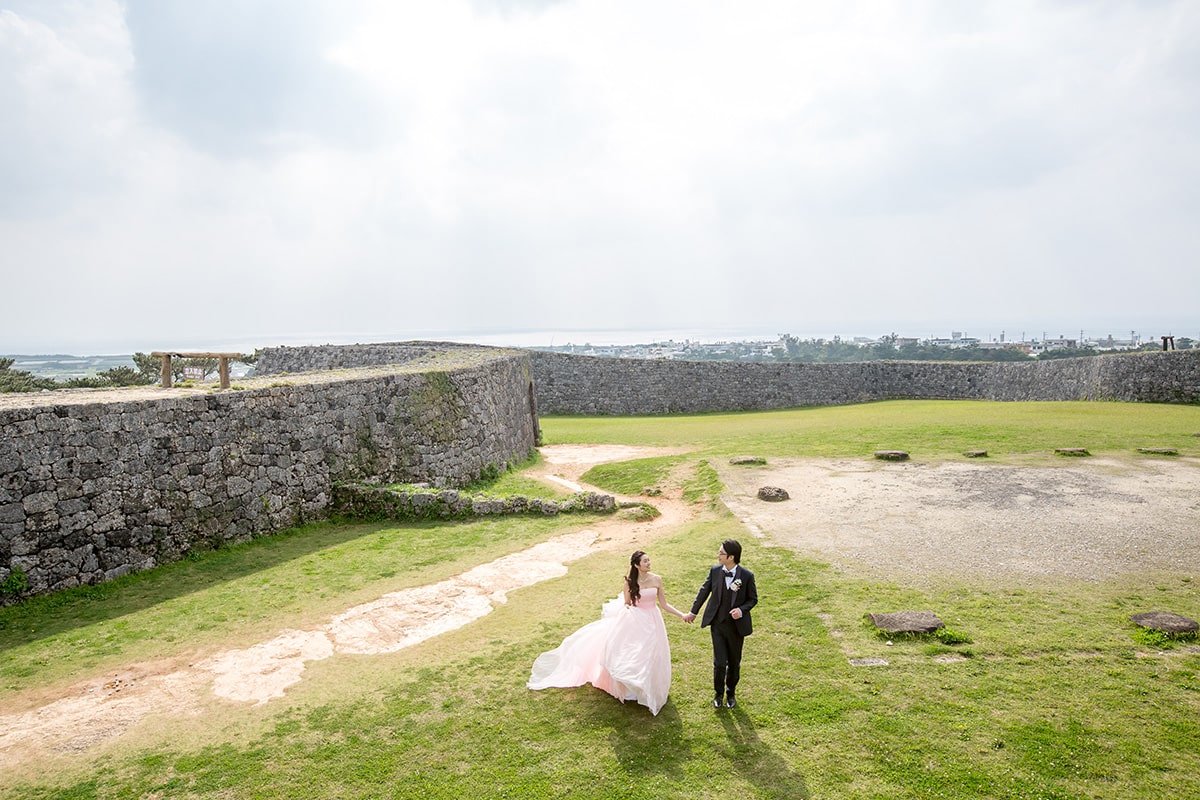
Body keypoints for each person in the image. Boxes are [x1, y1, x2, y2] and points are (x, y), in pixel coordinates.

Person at [528, 550, 686, 715]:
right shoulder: (629, 583)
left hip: (653, 620)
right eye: (645, 561)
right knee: (635, 653)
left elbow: (664, 605)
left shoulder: (657, 579)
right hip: (636, 621)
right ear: (637, 565)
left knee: (652, 652)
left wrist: (682, 614)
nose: (649, 563)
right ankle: (633, 688)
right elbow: (627, 603)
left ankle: (649, 686)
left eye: (648, 560)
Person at [683, 539, 758, 709]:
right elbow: (704, 591)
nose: (718, 555)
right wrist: (693, 612)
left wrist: (741, 610)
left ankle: (731, 694)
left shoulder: (747, 576)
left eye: (721, 553)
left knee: (734, 662)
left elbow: (753, 599)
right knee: (719, 662)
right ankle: (718, 694)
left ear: (731, 557)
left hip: (736, 628)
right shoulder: (715, 571)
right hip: (717, 624)